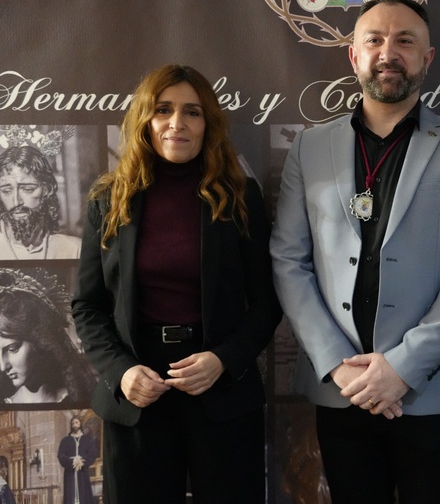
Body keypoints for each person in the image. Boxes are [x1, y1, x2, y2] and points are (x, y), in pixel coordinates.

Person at [270, 0, 440, 504]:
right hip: (343, 389)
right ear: (354, 55)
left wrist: (401, 369)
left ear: (427, 57)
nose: (388, 52)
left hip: (431, 390)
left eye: (405, 41)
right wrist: (337, 364)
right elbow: (288, 260)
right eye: (374, 40)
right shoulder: (309, 147)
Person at [71, 64, 282, 504]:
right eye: (163, 109)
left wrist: (223, 360)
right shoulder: (109, 199)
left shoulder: (240, 196)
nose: (177, 123)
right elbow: (88, 307)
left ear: (209, 123)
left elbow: (267, 302)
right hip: (137, 395)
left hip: (221, 391)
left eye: (192, 112)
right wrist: (121, 371)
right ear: (145, 120)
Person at [0, 268, 95, 404]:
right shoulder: (5, 405)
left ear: (41, 341)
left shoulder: (76, 400)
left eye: (12, 349)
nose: (3, 366)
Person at [0, 146, 81, 259]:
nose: (16, 202)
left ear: (47, 190)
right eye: (6, 191)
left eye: (28, 189)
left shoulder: (74, 250)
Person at [57, 416, 98, 504]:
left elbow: (93, 454)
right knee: (70, 496)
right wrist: (72, 461)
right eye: (73, 423)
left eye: (76, 422)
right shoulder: (65, 440)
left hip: (82, 472)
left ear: (80, 424)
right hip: (70, 472)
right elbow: (61, 455)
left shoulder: (88, 439)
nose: (74, 425)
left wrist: (82, 461)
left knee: (84, 495)